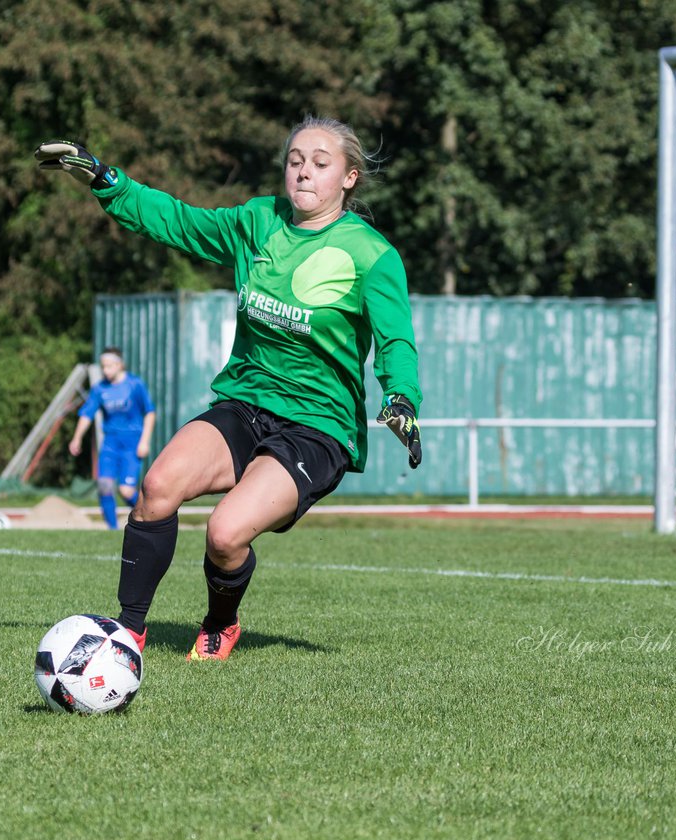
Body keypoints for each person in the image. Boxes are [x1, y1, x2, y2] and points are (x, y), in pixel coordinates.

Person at [35, 116, 422, 661]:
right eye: (295, 161)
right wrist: (107, 181)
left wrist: (401, 397)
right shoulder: (257, 221)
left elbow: (396, 342)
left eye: (320, 163)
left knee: (224, 535)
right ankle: (125, 636)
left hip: (317, 427)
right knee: (157, 486)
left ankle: (222, 622)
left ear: (349, 179)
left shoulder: (372, 255)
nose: (304, 172)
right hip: (245, 404)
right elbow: (179, 222)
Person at [68, 347, 156, 530]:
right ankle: (113, 530)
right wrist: (77, 438)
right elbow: (87, 415)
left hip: (132, 442)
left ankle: (150, 522)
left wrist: (145, 441)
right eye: (103, 366)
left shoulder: (134, 384)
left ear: (119, 364)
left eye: (109, 366)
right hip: (110, 443)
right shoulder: (100, 389)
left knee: (126, 490)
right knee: (104, 486)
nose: (105, 370)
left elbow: (149, 412)